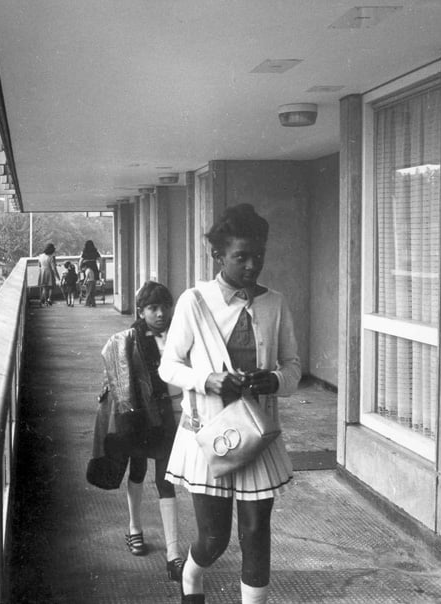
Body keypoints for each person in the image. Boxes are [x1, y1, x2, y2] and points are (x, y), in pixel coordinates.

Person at [158, 204, 301, 604]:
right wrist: (208, 379)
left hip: (257, 435)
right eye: (241, 257)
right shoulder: (194, 301)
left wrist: (273, 380)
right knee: (214, 539)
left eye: (259, 256)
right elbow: (168, 366)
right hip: (210, 437)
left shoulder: (275, 303)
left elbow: (293, 367)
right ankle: (191, 579)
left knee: (256, 533)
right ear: (218, 256)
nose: (253, 265)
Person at [100, 281, 186, 582]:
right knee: (136, 471)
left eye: (165, 306)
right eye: (153, 308)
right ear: (141, 310)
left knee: (166, 479)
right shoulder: (129, 341)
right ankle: (134, 528)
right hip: (140, 417)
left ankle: (174, 554)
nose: (160, 313)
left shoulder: (180, 336)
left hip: (171, 418)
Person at [79, 240, 103, 307]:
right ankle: (92, 301)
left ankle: (89, 301)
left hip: (86, 268)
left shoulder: (84, 252)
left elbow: (80, 261)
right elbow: (100, 261)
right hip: (94, 268)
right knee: (93, 286)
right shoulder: (95, 252)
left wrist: (80, 269)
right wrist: (100, 269)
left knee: (88, 285)